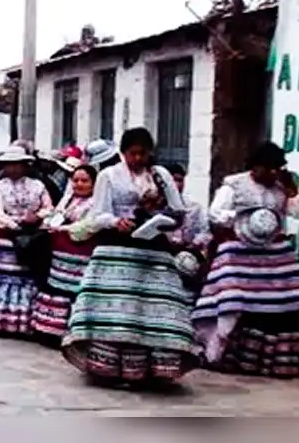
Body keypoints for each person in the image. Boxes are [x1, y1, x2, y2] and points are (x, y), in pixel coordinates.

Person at [62, 127, 197, 388]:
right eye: (133, 153)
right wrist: (116, 221)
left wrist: (163, 218)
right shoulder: (108, 176)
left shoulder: (161, 175)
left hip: (153, 246)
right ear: (123, 153)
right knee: (116, 307)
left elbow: (179, 210)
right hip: (117, 245)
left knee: (152, 307)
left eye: (143, 154)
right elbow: (98, 214)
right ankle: (107, 365)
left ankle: (154, 367)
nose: (138, 159)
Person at [193, 142, 299, 378]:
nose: (273, 173)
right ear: (256, 167)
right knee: (233, 298)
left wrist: (293, 192)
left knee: (295, 293)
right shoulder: (234, 185)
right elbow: (215, 213)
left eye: (277, 169)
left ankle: (283, 354)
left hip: (273, 250)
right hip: (238, 248)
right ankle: (217, 350)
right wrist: (241, 217)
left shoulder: (282, 188)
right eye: (269, 169)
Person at [0, 145, 52, 336]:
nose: (13, 168)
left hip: (31, 240)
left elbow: (49, 208)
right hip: (6, 239)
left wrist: (37, 216)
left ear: (25, 165)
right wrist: (16, 224)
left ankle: (23, 322)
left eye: (17, 164)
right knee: (0, 280)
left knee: (27, 280)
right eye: (9, 165)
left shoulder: (38, 186)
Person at [29, 164, 98, 346]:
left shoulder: (96, 203)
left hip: (80, 254)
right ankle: (49, 330)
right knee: (56, 288)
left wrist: (62, 229)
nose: (79, 184)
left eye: (84, 181)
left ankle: (71, 332)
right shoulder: (68, 199)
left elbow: (89, 226)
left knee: (72, 292)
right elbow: (55, 215)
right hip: (59, 254)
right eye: (75, 180)